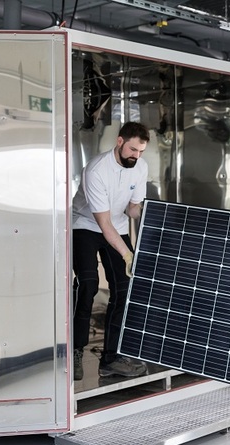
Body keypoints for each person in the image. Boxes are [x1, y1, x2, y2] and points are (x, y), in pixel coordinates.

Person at [71, 122, 150, 380]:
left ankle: (111, 358)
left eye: (141, 151)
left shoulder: (140, 167)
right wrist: (128, 254)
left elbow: (132, 209)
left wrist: (155, 215)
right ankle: (75, 351)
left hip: (116, 226)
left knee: (124, 290)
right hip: (85, 225)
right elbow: (103, 225)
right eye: (132, 149)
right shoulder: (96, 170)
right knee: (88, 285)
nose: (136, 156)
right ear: (119, 142)